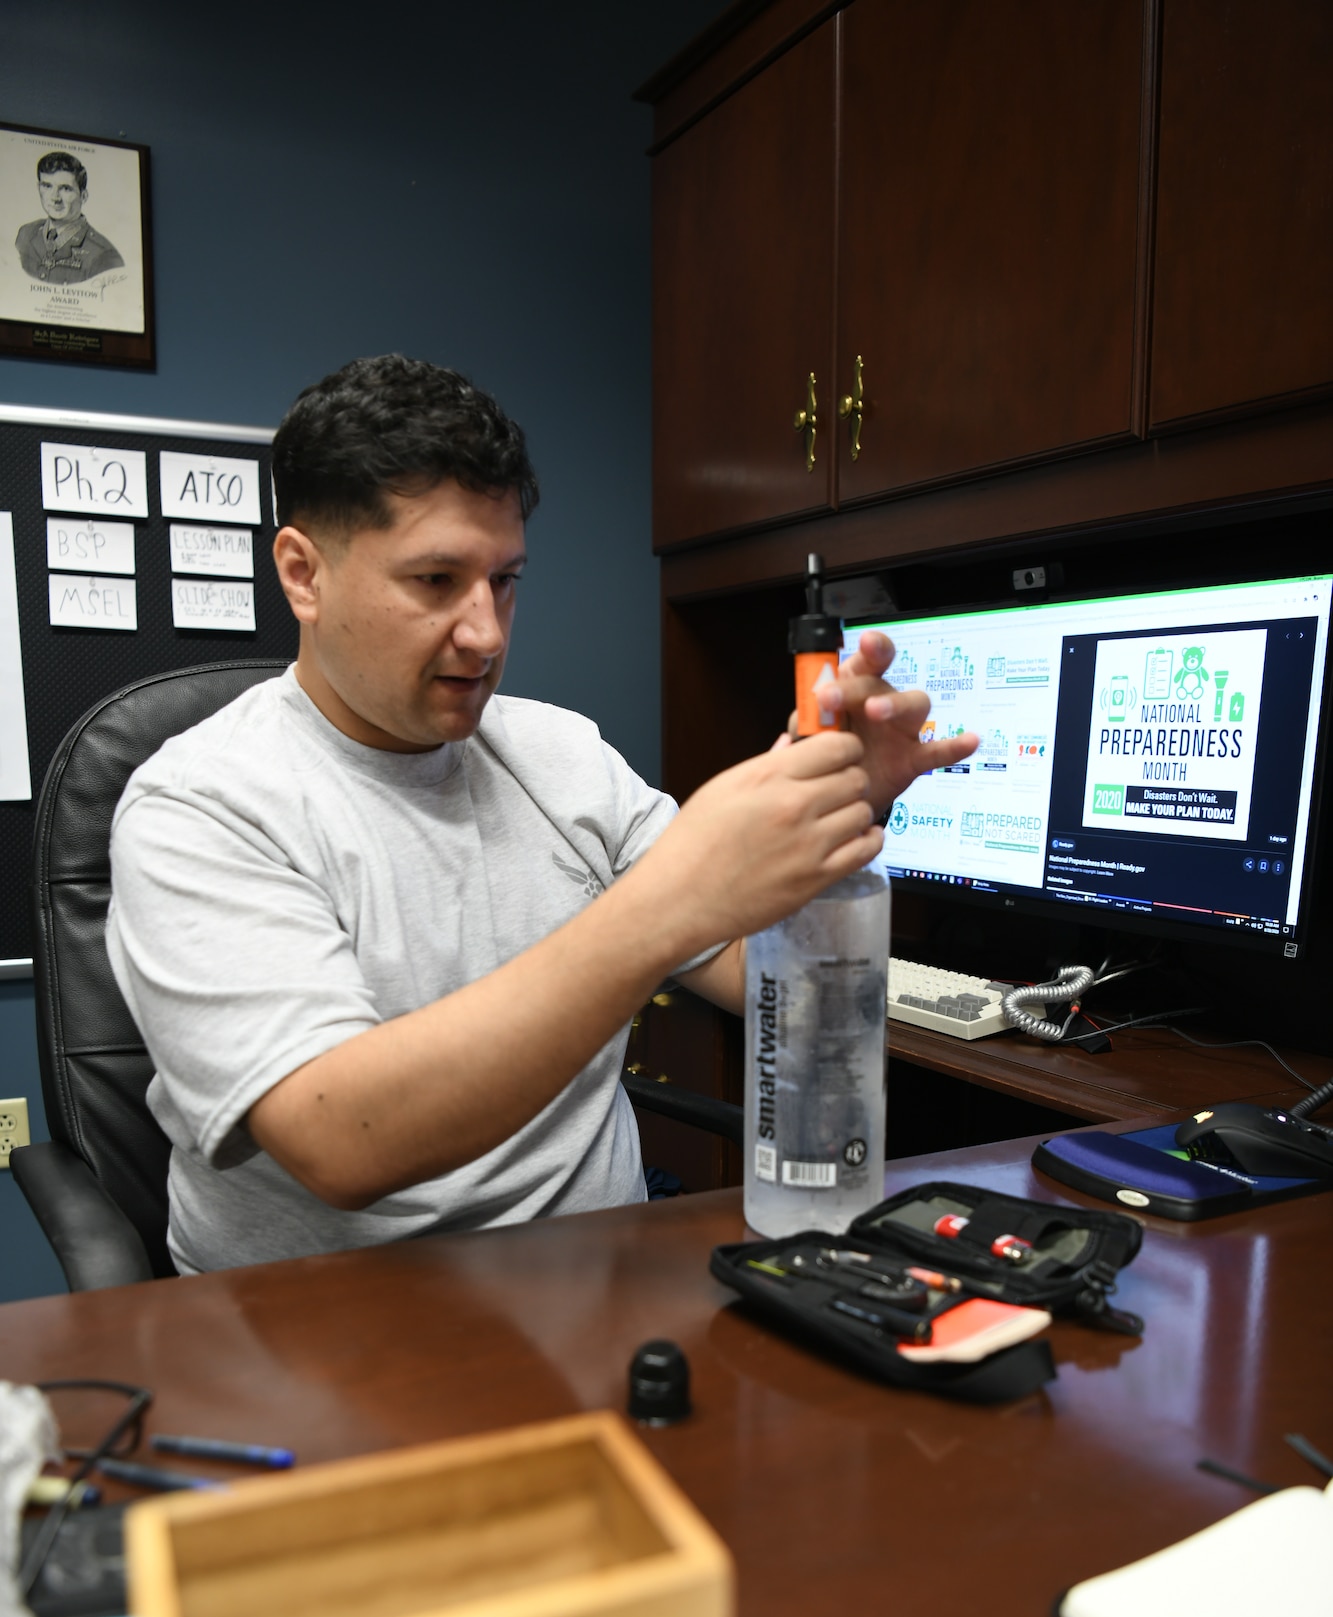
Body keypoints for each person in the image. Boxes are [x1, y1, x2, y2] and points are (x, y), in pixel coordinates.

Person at [107, 355, 977, 1275]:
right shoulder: (199, 806)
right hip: (329, 1332)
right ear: (303, 574)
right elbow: (340, 1139)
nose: (484, 632)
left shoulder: (560, 756)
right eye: (436, 580)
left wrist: (829, 831)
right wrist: (667, 904)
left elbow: (763, 974)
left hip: (594, 1286)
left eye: (505, 580)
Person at [15, 151, 124, 285]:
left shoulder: (104, 255)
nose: (55, 198)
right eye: (47, 186)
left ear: (83, 196)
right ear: (39, 188)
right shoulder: (25, 234)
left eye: (65, 189)